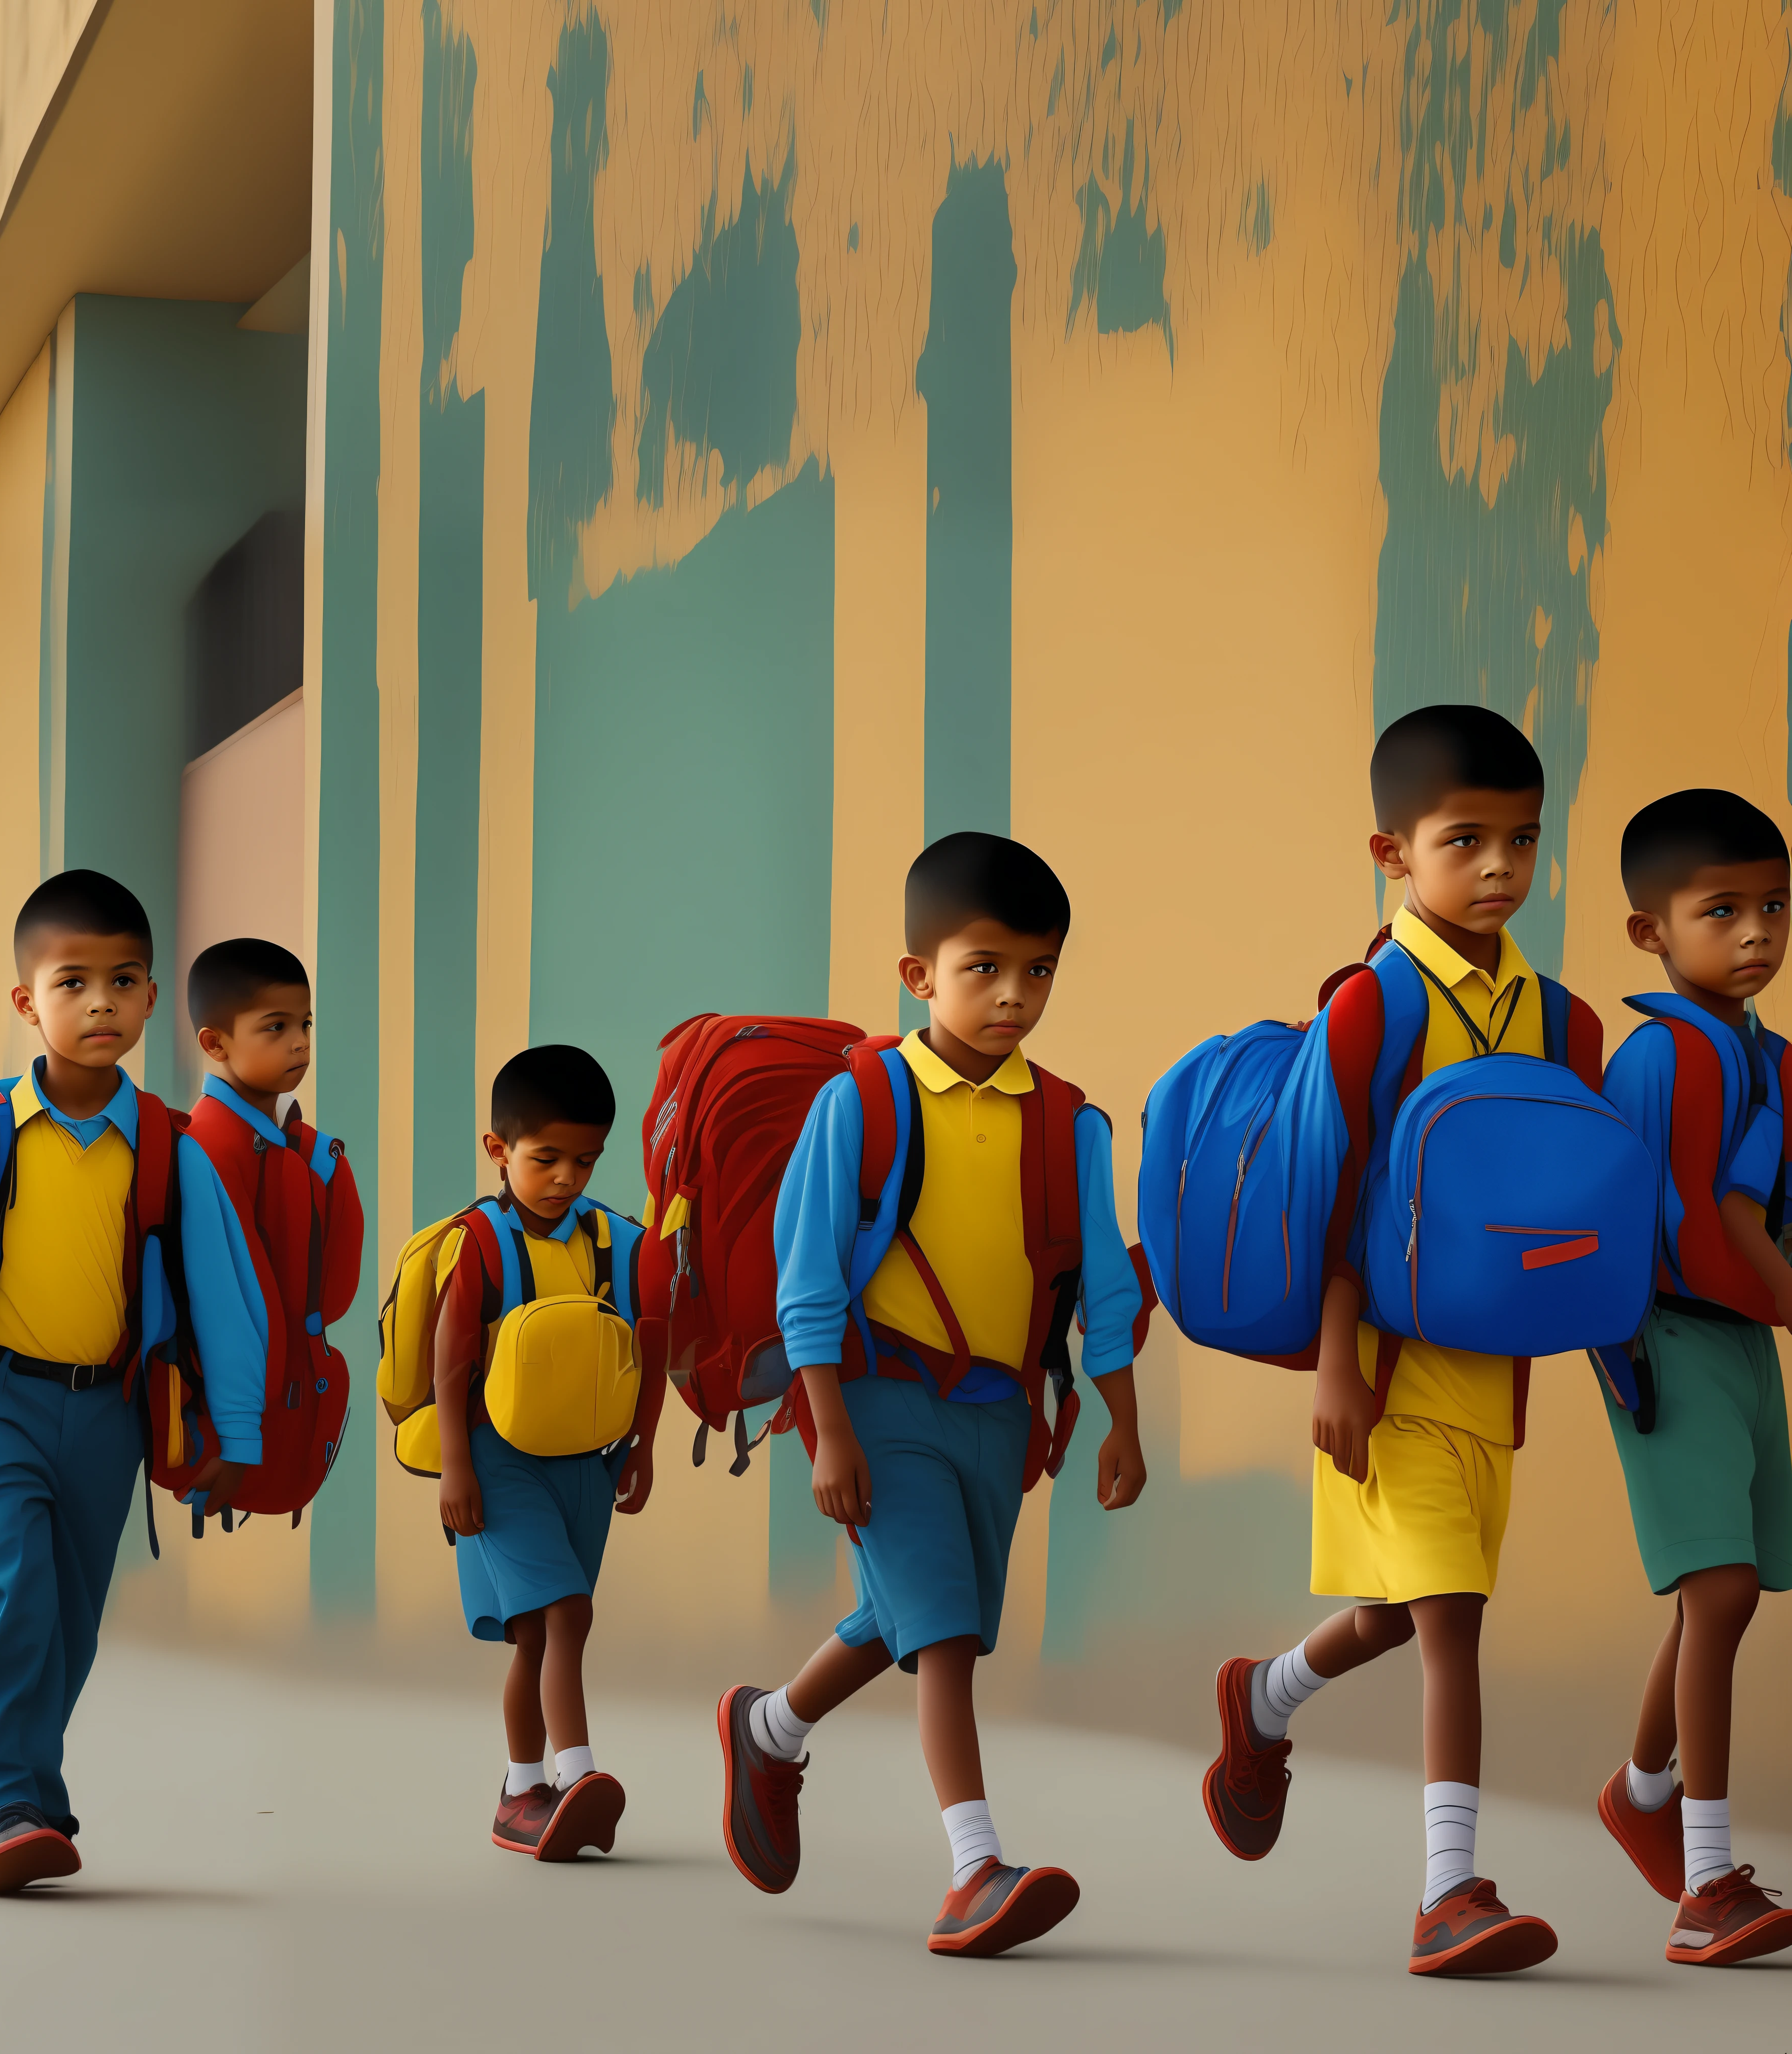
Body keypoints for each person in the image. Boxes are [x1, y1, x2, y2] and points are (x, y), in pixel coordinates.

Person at [1203, 705, 1596, 1976]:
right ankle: (1450, 1891)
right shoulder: (1370, 1006)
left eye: (1523, 839)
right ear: (1393, 851)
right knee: (1453, 1620)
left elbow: (1570, 1211)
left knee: (1392, 1614)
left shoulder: (1563, 1019)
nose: (1497, 867)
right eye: (1464, 838)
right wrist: (1332, 1363)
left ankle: (1263, 1699)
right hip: (1382, 1371)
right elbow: (1331, 1186)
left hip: (1496, 1380)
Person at [718, 832, 1146, 1958]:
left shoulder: (1071, 1120)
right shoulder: (861, 1101)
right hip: (877, 1390)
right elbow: (805, 1273)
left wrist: (1120, 1419)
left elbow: (1103, 1284)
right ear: (918, 975)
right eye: (984, 967)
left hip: (999, 1413)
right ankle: (974, 1866)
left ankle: (769, 1727)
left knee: (915, 1611)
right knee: (944, 1634)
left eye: (1039, 969)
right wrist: (827, 1427)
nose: (1015, 994)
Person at [0, 869, 264, 1895]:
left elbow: (224, 1299)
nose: (100, 1000)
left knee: (70, 1612)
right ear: (28, 1001)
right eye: (73, 981)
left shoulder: (167, 1143)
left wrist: (232, 1442)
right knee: (9, 1589)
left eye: (124, 978)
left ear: (152, 998)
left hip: (108, 1413)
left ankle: (29, 1793)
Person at [1592, 789, 1792, 1966]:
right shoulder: (1660, 1057)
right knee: (1715, 1593)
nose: (1758, 933)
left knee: (1732, 1589)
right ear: (1649, 932)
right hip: (1664, 1338)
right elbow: (1701, 1230)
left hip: (1743, 1342)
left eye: (1774, 906)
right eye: (1722, 910)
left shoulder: (1769, 1056)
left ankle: (1640, 1791)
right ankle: (1707, 1881)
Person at [418, 1045, 661, 1862]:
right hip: (498, 1460)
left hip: (586, 1464)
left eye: (586, 1159)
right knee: (568, 1613)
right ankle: (580, 1773)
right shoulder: (481, 1244)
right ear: (499, 1150)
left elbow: (646, 1351)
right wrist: (455, 1467)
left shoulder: (618, 1242)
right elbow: (452, 1366)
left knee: (536, 1636)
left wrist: (644, 1447)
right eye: (546, 1158)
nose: (567, 1177)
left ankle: (522, 1792)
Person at [176, 938, 361, 1523]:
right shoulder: (207, 1149)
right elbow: (227, 1308)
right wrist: (239, 1440)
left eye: (305, 1023)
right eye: (275, 1027)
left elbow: (332, 1292)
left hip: (295, 1396)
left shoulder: (303, 1149)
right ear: (215, 1042)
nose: (301, 1042)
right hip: (240, 1415)